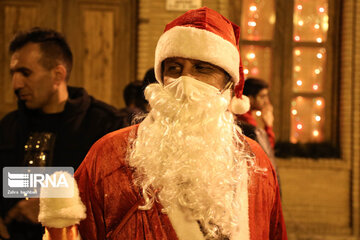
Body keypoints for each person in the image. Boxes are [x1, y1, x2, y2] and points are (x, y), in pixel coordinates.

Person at [40, 7, 287, 240]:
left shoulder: (256, 164)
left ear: (228, 85)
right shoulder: (109, 157)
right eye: (175, 68)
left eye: (202, 69)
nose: (185, 82)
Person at [0, 27, 124, 239]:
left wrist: (56, 200)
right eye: (13, 73)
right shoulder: (8, 126)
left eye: (25, 73)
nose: (16, 84)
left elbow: (119, 199)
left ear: (58, 75)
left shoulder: (106, 126)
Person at [237, 78, 276, 162]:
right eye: (262, 96)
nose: (266, 101)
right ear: (250, 98)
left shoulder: (243, 114)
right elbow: (265, 151)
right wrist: (268, 126)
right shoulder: (245, 119)